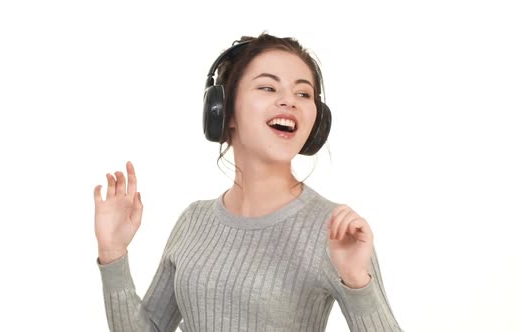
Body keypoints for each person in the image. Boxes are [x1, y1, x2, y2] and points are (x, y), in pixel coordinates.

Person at [94, 33, 403, 331]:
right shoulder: (193, 220)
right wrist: (113, 254)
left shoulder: (335, 229)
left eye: (303, 93)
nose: (289, 101)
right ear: (223, 111)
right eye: (268, 88)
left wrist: (358, 282)